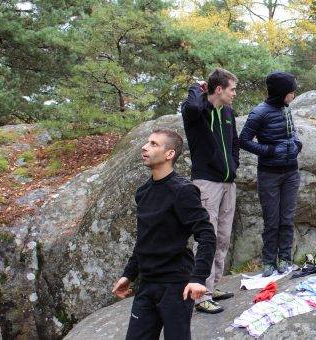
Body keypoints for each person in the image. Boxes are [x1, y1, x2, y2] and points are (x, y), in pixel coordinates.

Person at [112, 128, 216, 340]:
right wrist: (128, 275)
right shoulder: (143, 192)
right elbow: (144, 239)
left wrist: (198, 278)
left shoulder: (183, 191)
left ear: (169, 154)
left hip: (176, 285)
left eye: (153, 144)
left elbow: (206, 234)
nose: (144, 147)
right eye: (147, 143)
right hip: (147, 284)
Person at [181, 68, 239, 314]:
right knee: (207, 237)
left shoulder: (227, 112)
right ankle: (199, 294)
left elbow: (234, 143)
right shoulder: (197, 111)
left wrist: (233, 166)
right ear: (218, 89)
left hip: (228, 183)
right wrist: (196, 87)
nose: (234, 94)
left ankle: (212, 286)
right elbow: (192, 107)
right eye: (232, 89)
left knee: (223, 237)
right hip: (206, 182)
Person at [239, 71, 302, 277]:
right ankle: (268, 262)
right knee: (271, 221)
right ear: (282, 92)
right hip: (269, 174)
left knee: (287, 218)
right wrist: (270, 151)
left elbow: (292, 132)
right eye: (291, 91)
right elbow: (244, 140)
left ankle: (285, 259)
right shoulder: (259, 112)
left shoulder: (286, 109)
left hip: (291, 172)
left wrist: (297, 144)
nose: (293, 95)